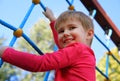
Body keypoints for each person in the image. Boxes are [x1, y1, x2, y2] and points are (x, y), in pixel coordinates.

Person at [0, 7, 96, 81]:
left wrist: (6, 53)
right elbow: (62, 46)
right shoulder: (86, 54)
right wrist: (53, 20)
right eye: (61, 31)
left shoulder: (77, 50)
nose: (65, 33)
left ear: (89, 34)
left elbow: (39, 63)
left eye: (72, 28)